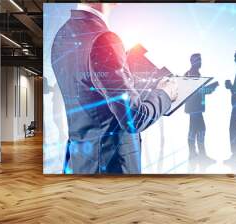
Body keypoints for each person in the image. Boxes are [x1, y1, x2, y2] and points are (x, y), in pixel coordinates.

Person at [51, 7, 178, 174]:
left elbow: (87, 89)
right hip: (110, 165)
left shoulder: (62, 35)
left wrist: (122, 76)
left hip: (80, 161)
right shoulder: (104, 39)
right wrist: (165, 94)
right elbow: (133, 118)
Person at [184, 53, 218, 162]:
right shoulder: (193, 74)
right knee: (200, 130)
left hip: (193, 108)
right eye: (199, 60)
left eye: (200, 60)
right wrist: (212, 87)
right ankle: (200, 156)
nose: (201, 62)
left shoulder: (192, 73)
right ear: (193, 62)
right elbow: (197, 92)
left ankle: (193, 155)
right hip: (195, 108)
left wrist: (210, 88)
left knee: (193, 130)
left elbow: (197, 91)